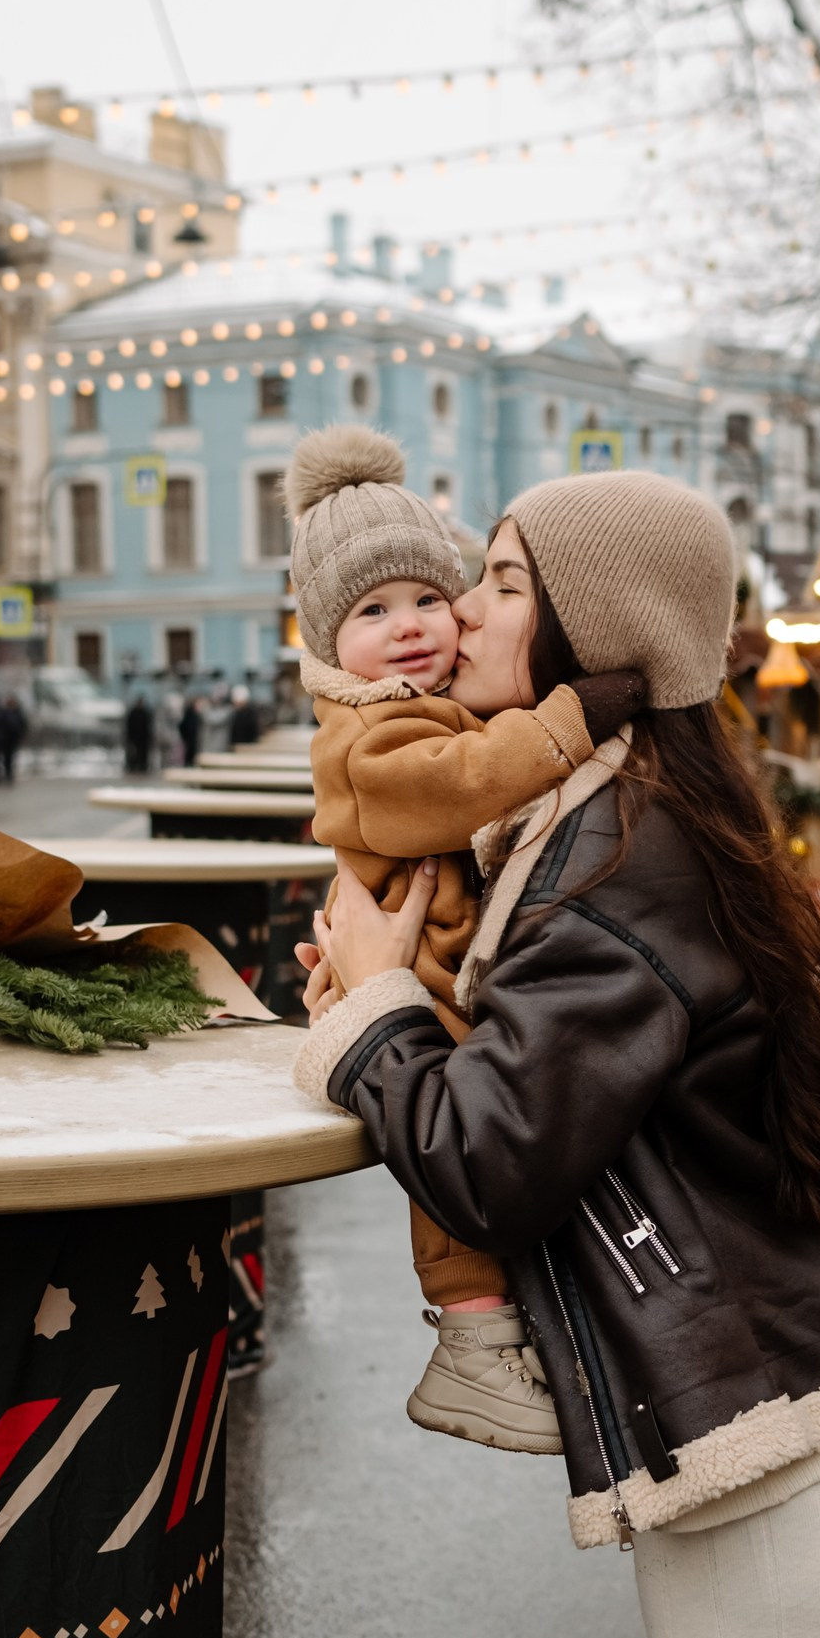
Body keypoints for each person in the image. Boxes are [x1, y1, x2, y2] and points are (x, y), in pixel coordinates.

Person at [296, 469, 820, 1638]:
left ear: (599, 637)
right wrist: (389, 982)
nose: (458, 614)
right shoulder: (599, 818)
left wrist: (377, 1011)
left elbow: (490, 1156)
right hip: (774, 1384)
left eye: (502, 585)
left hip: (767, 1424)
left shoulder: (610, 864)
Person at [286, 424, 643, 1455]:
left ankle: (485, 1328)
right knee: (449, 1131)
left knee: (465, 1115)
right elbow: (464, 782)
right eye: (370, 611)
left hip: (430, 956)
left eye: (426, 599)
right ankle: (471, 1340)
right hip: (427, 976)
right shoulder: (368, 733)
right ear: (323, 639)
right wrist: (569, 719)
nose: (409, 626)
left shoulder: (420, 706)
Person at [124, 695, 153, 774]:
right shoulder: (133, 713)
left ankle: (142, 767)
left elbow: (148, 726)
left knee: (143, 754)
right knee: (133, 754)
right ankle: (132, 767)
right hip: (135, 738)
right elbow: (129, 726)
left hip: (143, 738)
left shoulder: (145, 713)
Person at [178, 694, 205, 768]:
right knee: (189, 754)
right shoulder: (190, 713)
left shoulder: (196, 713)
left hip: (193, 738)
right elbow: (183, 725)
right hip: (190, 738)